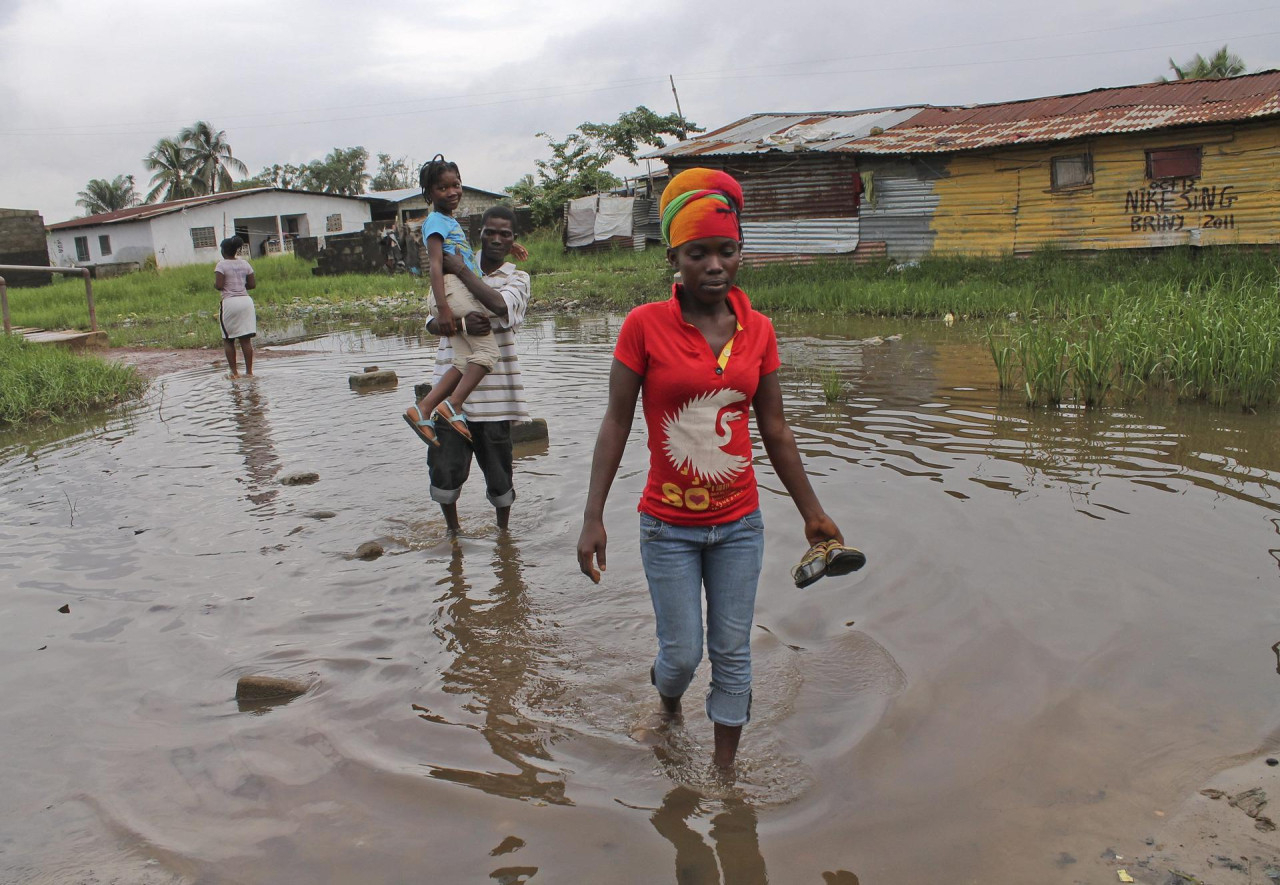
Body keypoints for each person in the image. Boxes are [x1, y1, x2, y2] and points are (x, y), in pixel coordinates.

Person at [575, 168, 863, 770]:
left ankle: (723, 776)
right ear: (674, 257)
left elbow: (776, 429)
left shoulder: (759, 332)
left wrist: (813, 512)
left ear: (740, 255)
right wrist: (593, 515)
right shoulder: (643, 326)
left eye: (725, 251)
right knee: (680, 655)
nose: (713, 265)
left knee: (732, 650)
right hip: (667, 527)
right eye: (697, 252)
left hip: (739, 525)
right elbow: (615, 423)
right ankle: (669, 701)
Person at [423, 205, 531, 533]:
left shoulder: (517, 278)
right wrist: (459, 322)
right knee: (444, 470)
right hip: (451, 395)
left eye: (505, 234)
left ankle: (503, 535)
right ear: (479, 234)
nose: (497, 239)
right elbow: (431, 324)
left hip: (496, 401)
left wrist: (460, 268)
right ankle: (453, 533)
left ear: (514, 240)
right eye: (491, 232)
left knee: (500, 477)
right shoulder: (452, 270)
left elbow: (500, 306)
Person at [404, 155, 500, 447]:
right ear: (430, 193)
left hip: (453, 290)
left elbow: (469, 257)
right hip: (451, 290)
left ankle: (423, 408)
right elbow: (435, 264)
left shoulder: (448, 221)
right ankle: (454, 405)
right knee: (487, 352)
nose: (452, 192)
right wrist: (444, 308)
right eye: (443, 188)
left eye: (456, 185)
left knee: (461, 360)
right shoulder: (435, 220)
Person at [214, 236, 256, 378]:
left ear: (224, 250)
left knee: (228, 339)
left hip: (230, 303)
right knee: (245, 339)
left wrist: (216, 285)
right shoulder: (245, 264)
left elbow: (219, 285)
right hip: (246, 301)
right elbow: (252, 285)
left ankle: (234, 373)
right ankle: (249, 372)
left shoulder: (221, 265)